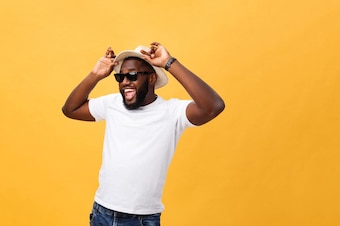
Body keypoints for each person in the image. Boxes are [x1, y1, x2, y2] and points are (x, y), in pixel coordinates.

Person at [62, 42, 225, 226]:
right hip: (102, 212)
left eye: (132, 75)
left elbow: (213, 106)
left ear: (152, 78)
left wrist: (170, 63)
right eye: (120, 77)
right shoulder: (112, 104)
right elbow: (70, 109)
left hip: (141, 219)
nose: (125, 82)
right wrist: (95, 75)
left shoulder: (172, 112)